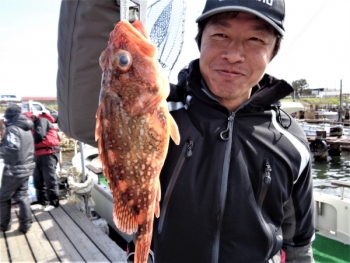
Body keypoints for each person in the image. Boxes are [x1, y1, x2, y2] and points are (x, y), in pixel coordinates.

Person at [151, 1, 315, 263]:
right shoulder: (155, 110)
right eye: (220, 35)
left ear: (272, 51)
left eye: (255, 39)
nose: (234, 54)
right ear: (200, 40)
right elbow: (82, 120)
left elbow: (299, 242)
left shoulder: (291, 140)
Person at [0, 105, 35, 233]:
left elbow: (12, 148)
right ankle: (25, 226)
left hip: (14, 170)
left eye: (7, 118)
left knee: (3, 198)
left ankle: (4, 226)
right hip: (26, 168)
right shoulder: (26, 129)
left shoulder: (13, 129)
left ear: (11, 117)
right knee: (22, 196)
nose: (6, 120)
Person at [26, 112, 61, 212]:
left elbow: (39, 135)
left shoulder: (42, 120)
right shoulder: (31, 126)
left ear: (31, 118)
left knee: (49, 178)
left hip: (49, 153)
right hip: (37, 154)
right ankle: (42, 202)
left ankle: (54, 202)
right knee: (38, 179)